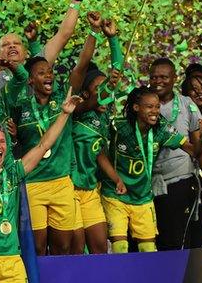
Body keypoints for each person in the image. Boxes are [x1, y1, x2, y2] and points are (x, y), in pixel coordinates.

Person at [0, 89, 82, 282]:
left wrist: (64, 114)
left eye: (2, 141)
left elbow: (43, 145)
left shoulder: (13, 173)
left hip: (12, 261)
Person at [11, 12, 97, 255]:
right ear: (30, 81)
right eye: (41, 72)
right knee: (37, 248)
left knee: (63, 246)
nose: (48, 74)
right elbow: (13, 141)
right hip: (33, 184)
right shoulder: (19, 106)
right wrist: (15, 135)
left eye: (50, 71)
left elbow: (81, 66)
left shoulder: (63, 100)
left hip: (61, 182)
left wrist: (93, 32)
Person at [97, 86, 202, 253]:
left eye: (157, 106)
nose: (155, 111)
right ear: (136, 108)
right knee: (121, 247)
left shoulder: (161, 129)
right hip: (116, 194)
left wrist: (201, 137)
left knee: (148, 249)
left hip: (143, 197)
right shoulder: (118, 127)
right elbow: (99, 153)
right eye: (149, 107)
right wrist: (116, 178)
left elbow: (195, 151)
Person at [149, 58, 202, 250]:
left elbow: (198, 150)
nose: (158, 81)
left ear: (173, 78)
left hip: (181, 182)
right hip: (149, 186)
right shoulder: (144, 102)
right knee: (160, 244)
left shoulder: (187, 104)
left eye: (163, 77)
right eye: (154, 77)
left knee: (185, 243)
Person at [69, 17, 122, 254]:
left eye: (107, 89)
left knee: (100, 245)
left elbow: (98, 151)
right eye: (98, 89)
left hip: (90, 191)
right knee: (77, 247)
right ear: (86, 91)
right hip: (68, 190)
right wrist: (96, 33)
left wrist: (113, 39)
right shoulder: (75, 112)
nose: (105, 93)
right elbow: (83, 65)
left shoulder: (101, 119)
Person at [181, 66, 202, 247]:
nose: (200, 93)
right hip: (196, 184)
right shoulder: (182, 115)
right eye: (194, 89)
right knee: (195, 238)